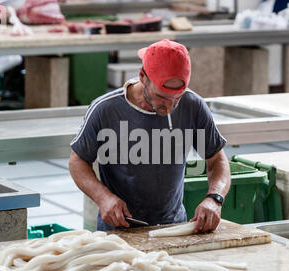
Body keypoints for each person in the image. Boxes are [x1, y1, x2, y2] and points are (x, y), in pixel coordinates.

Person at [69, 39, 231, 233]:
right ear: (142, 77)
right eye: (162, 97)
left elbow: (217, 160)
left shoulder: (193, 105)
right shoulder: (106, 110)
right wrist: (103, 197)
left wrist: (215, 198)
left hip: (172, 228)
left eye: (176, 98)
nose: (169, 107)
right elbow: (77, 162)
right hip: (118, 229)